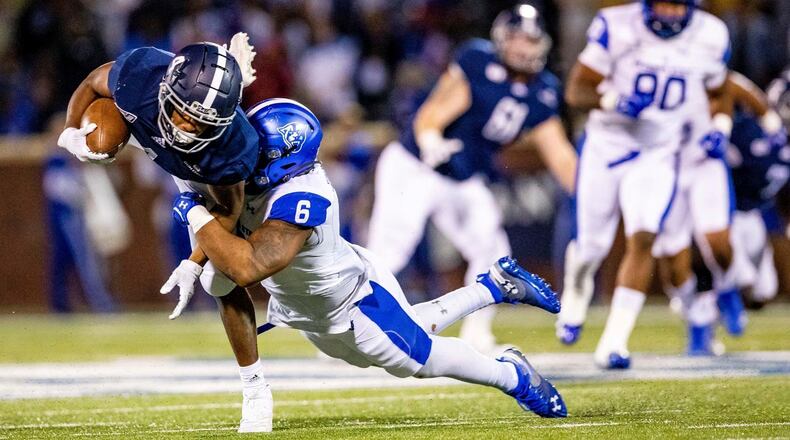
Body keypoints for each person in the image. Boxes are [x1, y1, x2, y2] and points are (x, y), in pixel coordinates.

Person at [172, 98, 568, 429]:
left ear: (281, 161)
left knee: (417, 360)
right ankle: (493, 286)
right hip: (309, 306)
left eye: (256, 152)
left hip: (354, 299)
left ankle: (513, 375)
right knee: (371, 349)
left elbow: (248, 267)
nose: (244, 158)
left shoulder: (304, 195)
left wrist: (194, 213)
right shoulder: (253, 177)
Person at [55, 35, 274, 432]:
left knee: (218, 279)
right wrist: (70, 131)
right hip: (146, 130)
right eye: (182, 113)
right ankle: (233, 73)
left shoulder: (233, 146)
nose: (186, 127)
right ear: (165, 90)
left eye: (200, 121)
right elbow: (91, 82)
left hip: (200, 177)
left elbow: (228, 207)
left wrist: (193, 264)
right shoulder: (141, 78)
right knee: (100, 143)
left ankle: (255, 387)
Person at [366, 4, 576, 354]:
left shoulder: (545, 90)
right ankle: (345, 324)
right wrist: (430, 136)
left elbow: (561, 155)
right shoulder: (479, 61)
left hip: (463, 177)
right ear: (501, 40)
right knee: (389, 254)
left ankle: (477, 333)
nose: (524, 47)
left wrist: (592, 196)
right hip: (416, 165)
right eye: (517, 38)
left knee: (494, 255)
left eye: (531, 39)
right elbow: (434, 111)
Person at [557, 0, 732, 368]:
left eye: (676, 5)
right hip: (607, 147)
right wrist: (613, 100)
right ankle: (576, 292)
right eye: (662, 4)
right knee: (592, 247)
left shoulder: (711, 34)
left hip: (658, 152)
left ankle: (614, 342)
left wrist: (720, 127)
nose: (669, 14)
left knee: (644, 237)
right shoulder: (617, 24)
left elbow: (719, 91)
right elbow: (576, 90)